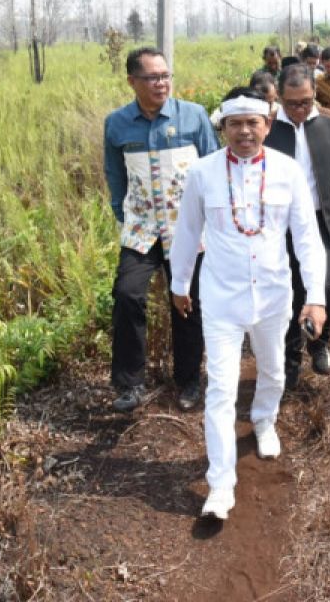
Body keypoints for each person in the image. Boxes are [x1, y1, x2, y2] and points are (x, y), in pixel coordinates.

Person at [170, 88, 328, 520]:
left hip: (275, 294)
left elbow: (307, 239)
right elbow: (186, 233)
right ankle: (220, 486)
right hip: (221, 297)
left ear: (268, 123)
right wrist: (179, 283)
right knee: (220, 388)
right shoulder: (202, 174)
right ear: (223, 127)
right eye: (235, 123)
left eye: (252, 122)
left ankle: (264, 419)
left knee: (273, 368)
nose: (244, 131)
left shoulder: (288, 171)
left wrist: (315, 297)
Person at [103, 47, 220, 412]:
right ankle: (130, 384)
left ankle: (188, 380)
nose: (161, 83)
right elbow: (115, 175)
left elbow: (212, 166)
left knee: (187, 303)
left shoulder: (193, 116)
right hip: (141, 229)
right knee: (127, 294)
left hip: (186, 229)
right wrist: (125, 214)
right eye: (152, 77)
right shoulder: (117, 123)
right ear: (132, 82)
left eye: (165, 75)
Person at [265, 64, 330, 390]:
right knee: (288, 290)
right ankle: (290, 358)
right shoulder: (266, 128)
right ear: (279, 97)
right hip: (279, 226)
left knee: (325, 287)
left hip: (323, 222)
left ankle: (319, 345)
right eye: (292, 103)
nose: (300, 109)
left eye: (306, 101)